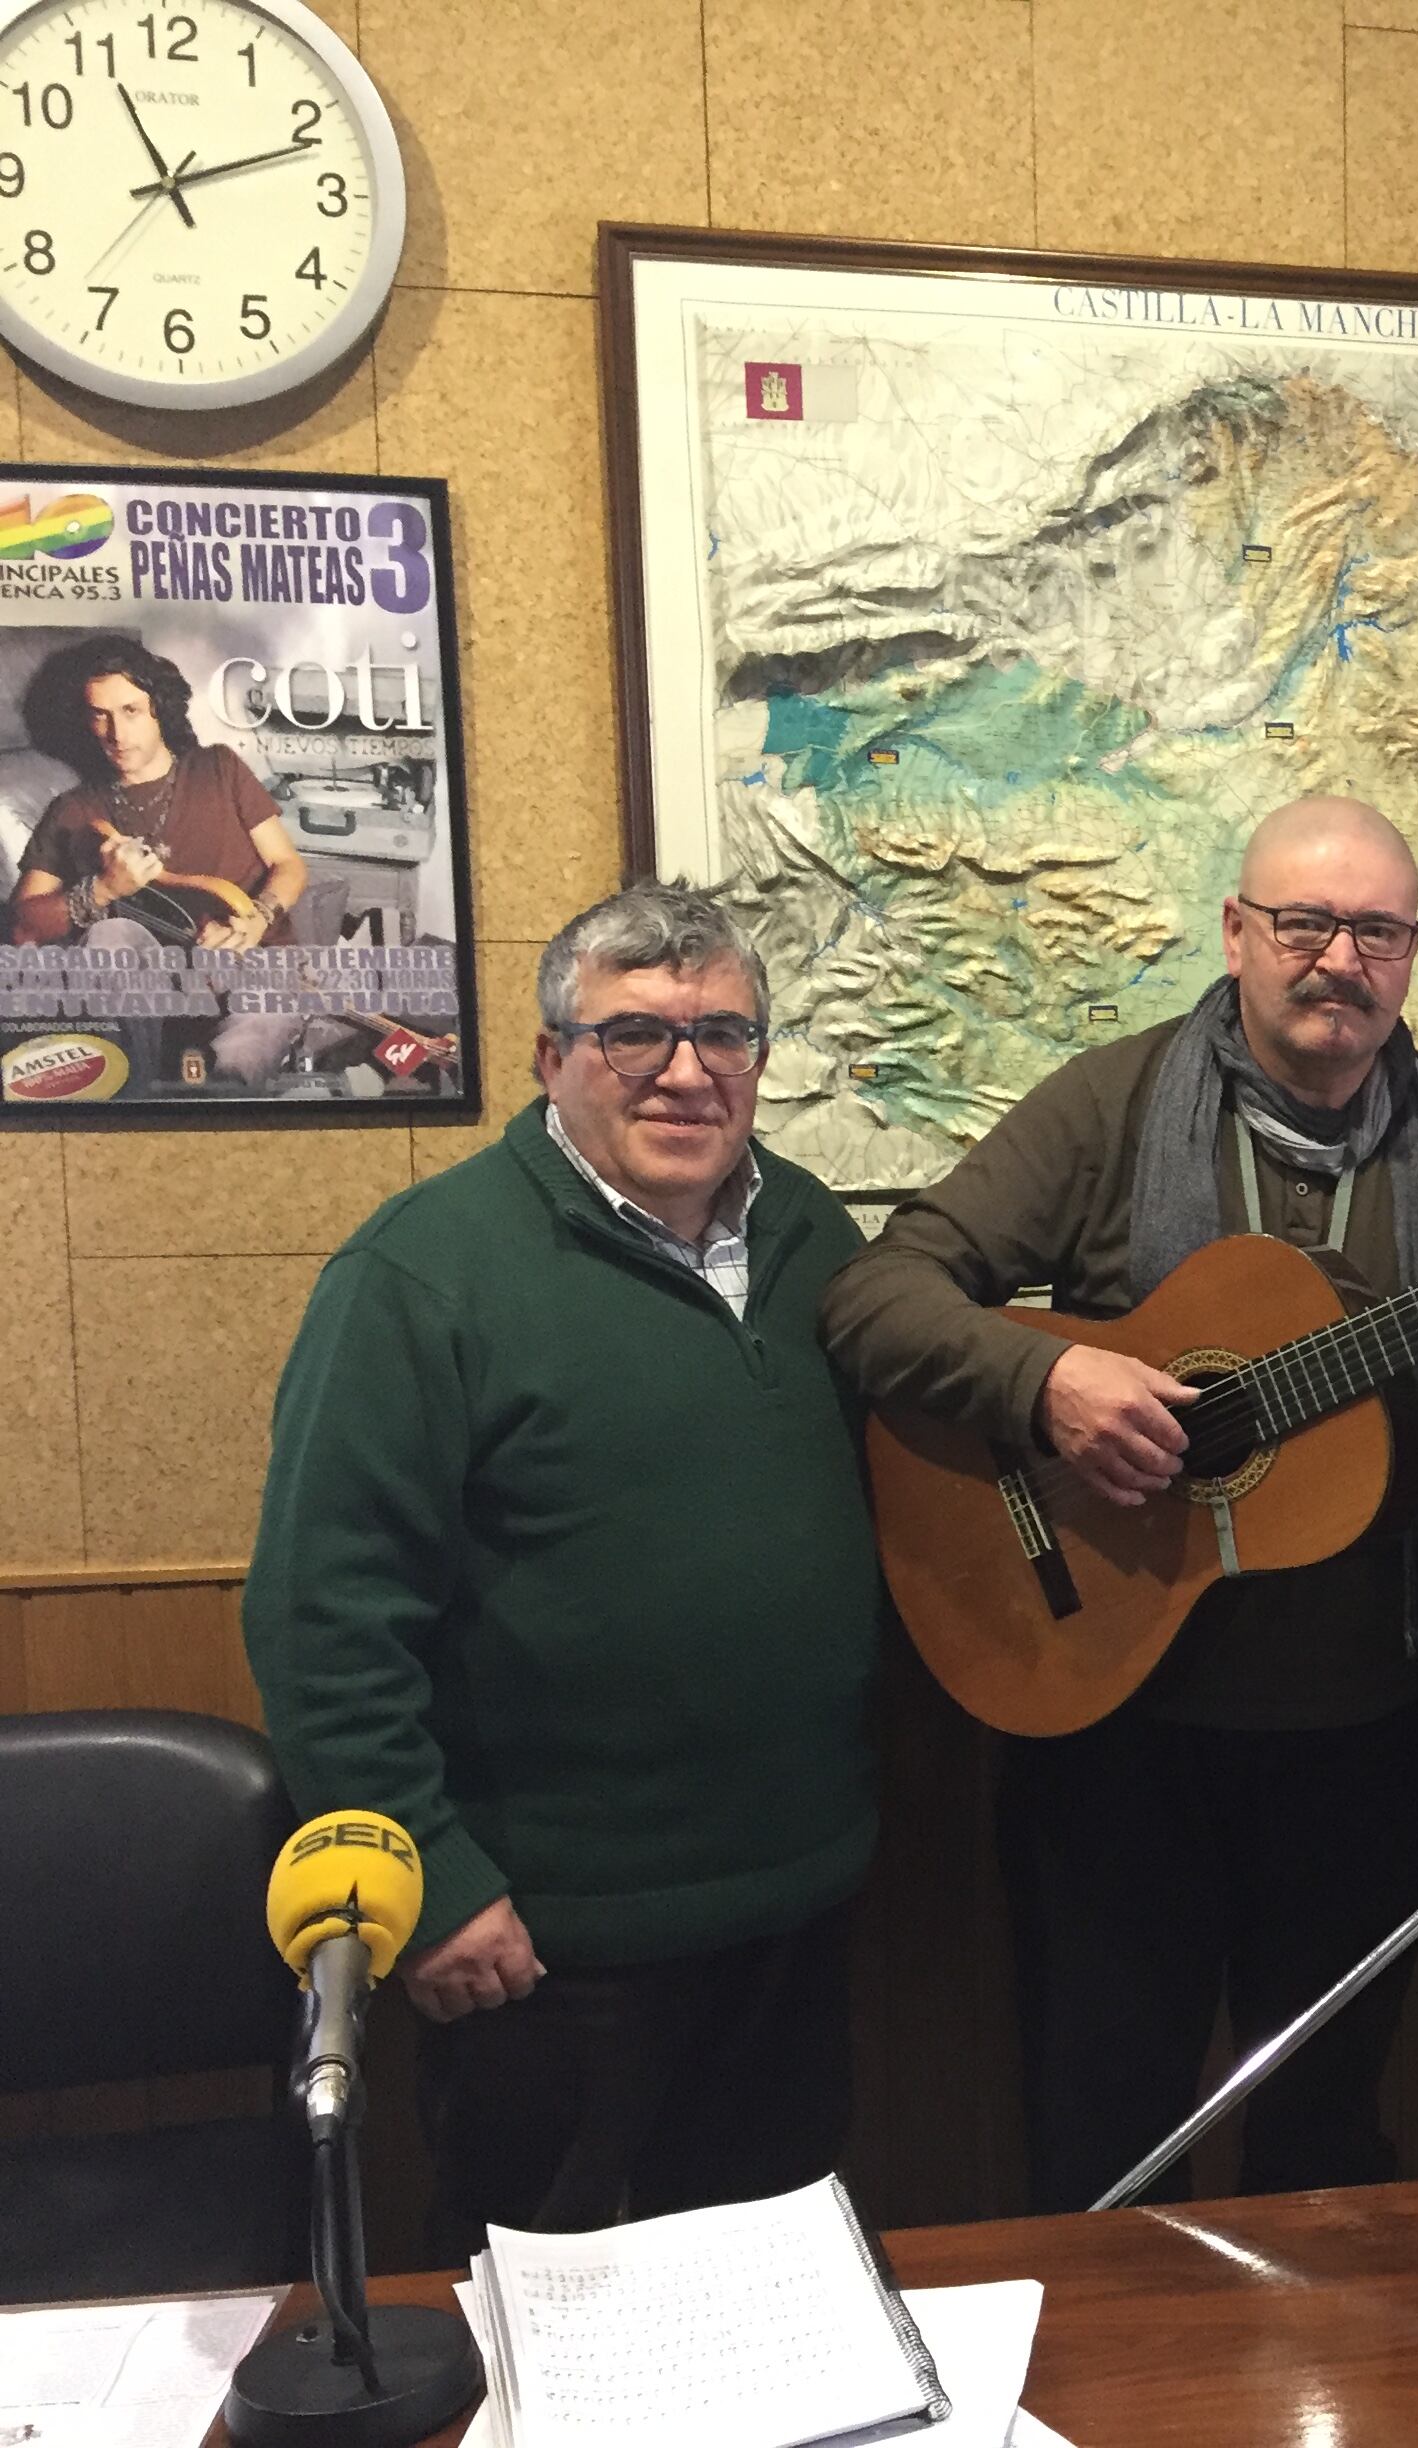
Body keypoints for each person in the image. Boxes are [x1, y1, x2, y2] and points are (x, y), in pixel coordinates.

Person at [820, 795, 1418, 2211]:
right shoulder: (1109, 1106)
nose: (1339, 960)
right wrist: (1047, 1385)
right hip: (1114, 1727)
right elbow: (877, 1295)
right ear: (1237, 931)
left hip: (1364, 1734)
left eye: (1377, 932)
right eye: (1305, 923)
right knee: (1104, 2132)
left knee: (1327, 2140)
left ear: (1410, 955)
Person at [245, 884, 880, 2262]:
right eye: (634, 1034)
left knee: (773, 2293)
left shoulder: (815, 1234)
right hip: (547, 1943)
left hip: (794, 1907)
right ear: (552, 1058)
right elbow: (320, 1616)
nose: (687, 1072)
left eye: (725, 1033)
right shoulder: (421, 1273)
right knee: (548, 2302)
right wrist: (435, 1877)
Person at [10, 636, 316, 1083]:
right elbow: (23, 927)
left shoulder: (219, 768)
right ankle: (133, 1091)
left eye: (131, 710)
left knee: (244, 1049)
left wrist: (257, 918)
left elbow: (288, 865)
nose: (116, 733)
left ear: (159, 709)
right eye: (100, 714)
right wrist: (101, 890)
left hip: (252, 967)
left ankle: (218, 1098)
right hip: (152, 999)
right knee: (110, 934)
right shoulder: (72, 810)